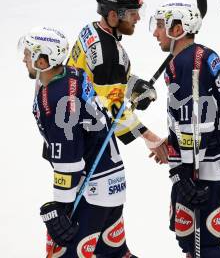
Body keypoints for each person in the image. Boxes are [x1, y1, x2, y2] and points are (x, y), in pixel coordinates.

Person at [19, 26, 137, 257]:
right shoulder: (75, 73)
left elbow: (69, 161)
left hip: (90, 190)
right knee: (114, 254)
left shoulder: (55, 97)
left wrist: (62, 208)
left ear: (43, 61)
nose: (24, 58)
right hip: (112, 181)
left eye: (28, 53)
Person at [150, 0, 220, 258]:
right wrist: (173, 143)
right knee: (194, 239)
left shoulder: (185, 64)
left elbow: (195, 124)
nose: (155, 32)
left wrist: (182, 171)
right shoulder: (203, 53)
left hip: (204, 166)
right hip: (216, 157)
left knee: (203, 244)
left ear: (178, 29)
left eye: (160, 25)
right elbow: (199, 117)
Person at [67, 0, 167, 163]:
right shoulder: (108, 54)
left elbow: (98, 80)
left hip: (72, 127)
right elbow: (113, 108)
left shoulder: (92, 29)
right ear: (113, 16)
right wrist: (151, 138)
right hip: (83, 141)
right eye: (132, 13)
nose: (137, 18)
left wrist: (133, 86)